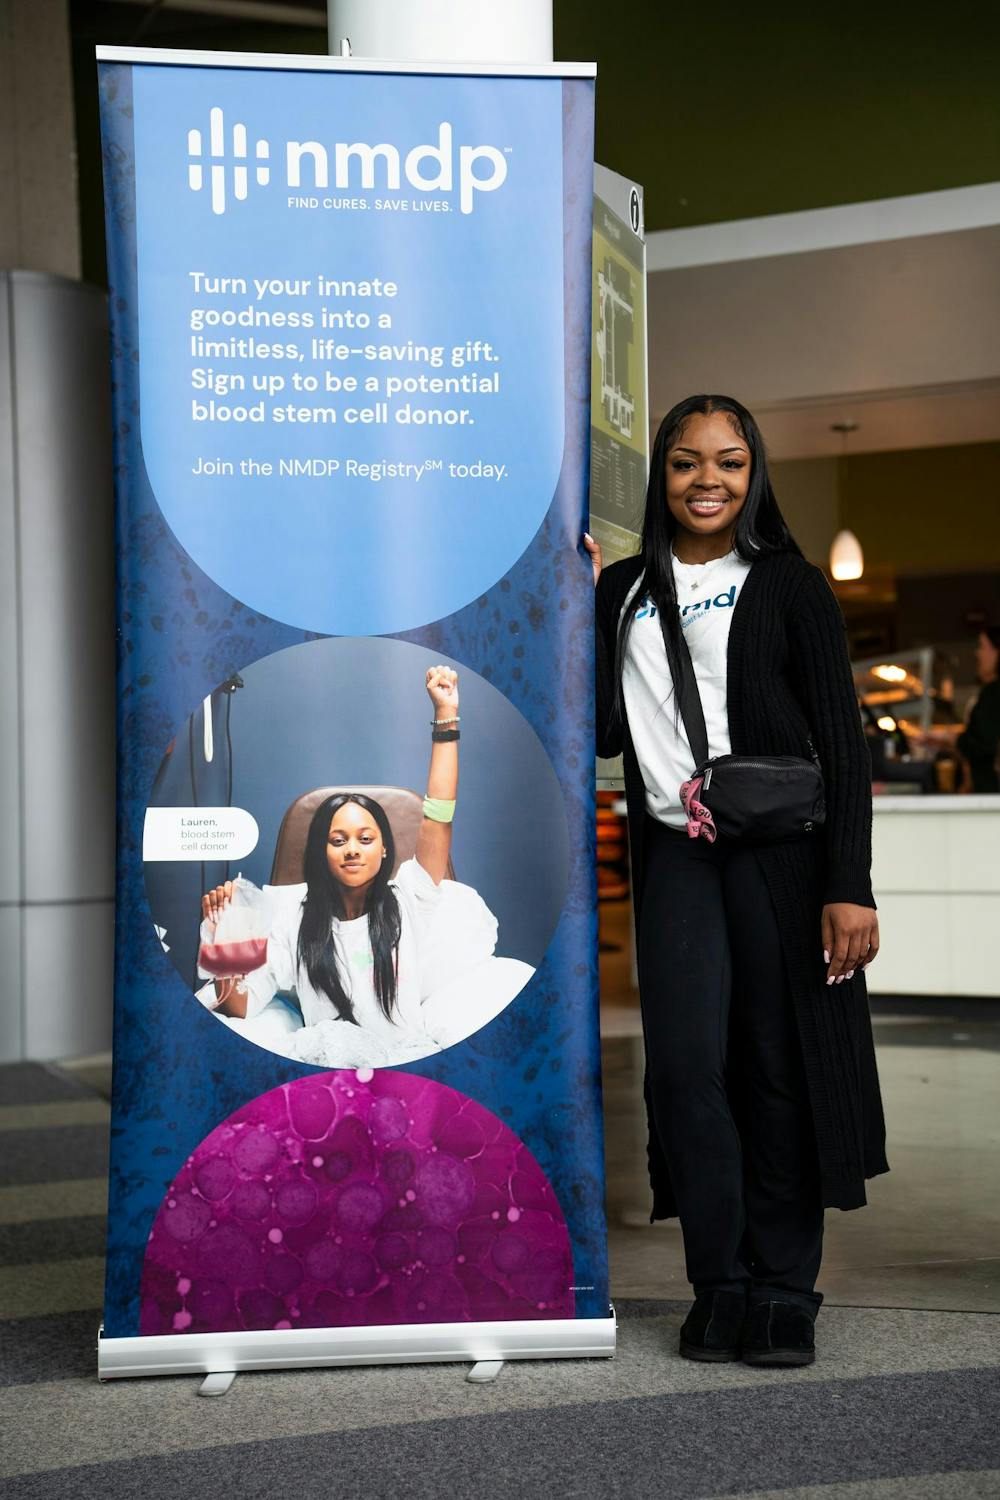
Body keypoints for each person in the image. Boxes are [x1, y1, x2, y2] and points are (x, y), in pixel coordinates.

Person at [585, 394, 887, 1368]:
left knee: (777, 1064)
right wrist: (570, 600)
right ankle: (715, 1282)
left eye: (726, 461)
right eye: (683, 462)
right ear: (660, 477)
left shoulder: (791, 585)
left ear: (752, 473)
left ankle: (782, 1287)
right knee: (683, 1071)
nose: (704, 480)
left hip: (784, 860)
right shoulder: (624, 589)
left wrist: (850, 884)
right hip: (677, 854)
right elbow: (600, 728)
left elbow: (840, 743)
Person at [199, 666, 510, 1066]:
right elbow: (238, 1009)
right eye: (338, 840)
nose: (352, 850)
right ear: (321, 853)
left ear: (384, 851)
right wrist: (228, 938)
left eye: (365, 839)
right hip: (325, 1073)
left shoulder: (411, 898)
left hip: (408, 1067)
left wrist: (446, 715)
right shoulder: (291, 922)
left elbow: (438, 816)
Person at [957, 628, 1000, 793]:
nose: (977, 653)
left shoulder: (994, 693)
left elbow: (984, 745)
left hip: (991, 792)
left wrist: (955, 740)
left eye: (982, 646)